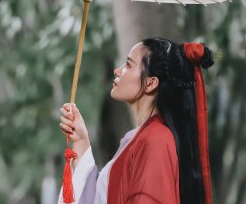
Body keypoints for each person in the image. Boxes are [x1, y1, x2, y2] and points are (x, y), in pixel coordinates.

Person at [58, 38, 214, 204]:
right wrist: (81, 141)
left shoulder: (156, 140)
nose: (117, 71)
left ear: (150, 83)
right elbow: (103, 198)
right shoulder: (140, 138)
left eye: (128, 64)